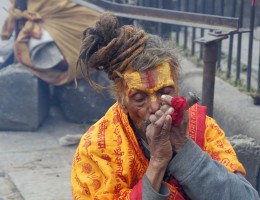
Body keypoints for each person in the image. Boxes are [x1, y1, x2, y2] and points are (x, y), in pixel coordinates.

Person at [71, 13, 259, 200]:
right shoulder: (98, 146)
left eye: (165, 92)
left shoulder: (202, 129)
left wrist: (184, 148)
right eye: (139, 97)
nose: (155, 106)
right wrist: (158, 162)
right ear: (121, 101)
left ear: (178, 87)